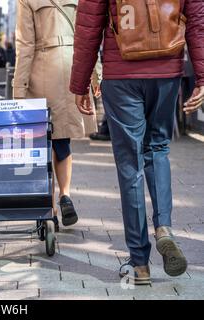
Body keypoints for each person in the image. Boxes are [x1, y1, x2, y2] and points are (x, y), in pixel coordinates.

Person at [70, 0, 204, 284]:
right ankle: (164, 227)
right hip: (167, 70)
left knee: (130, 163)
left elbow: (88, 26)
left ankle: (140, 263)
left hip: (122, 74)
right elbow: (197, 18)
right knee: (158, 149)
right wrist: (202, 77)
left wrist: (80, 83)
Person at [14, 0, 97, 230]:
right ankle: (66, 194)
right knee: (63, 136)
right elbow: (91, 32)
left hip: (43, 68)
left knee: (43, 140)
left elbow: (25, 45)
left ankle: (49, 209)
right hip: (73, 66)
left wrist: (18, 90)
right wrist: (95, 73)